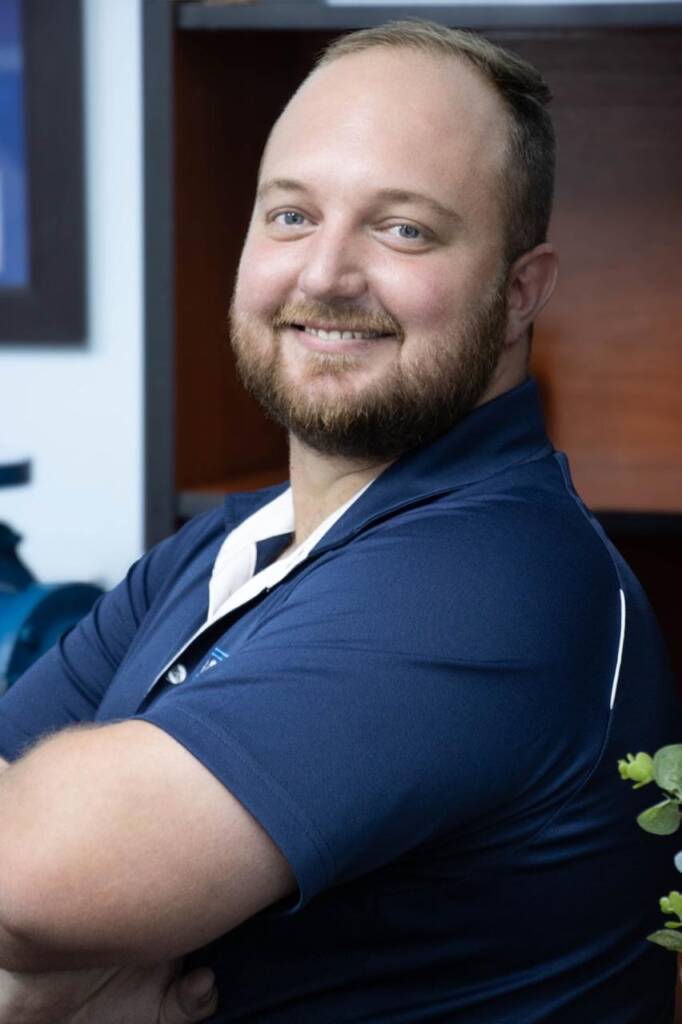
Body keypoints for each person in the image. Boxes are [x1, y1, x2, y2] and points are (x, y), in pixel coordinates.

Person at [0, 19, 679, 1024]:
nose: (323, 275)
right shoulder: (224, 547)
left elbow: (31, 882)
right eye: (291, 215)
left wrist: (57, 951)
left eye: (403, 229)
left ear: (519, 292)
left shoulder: (490, 585)